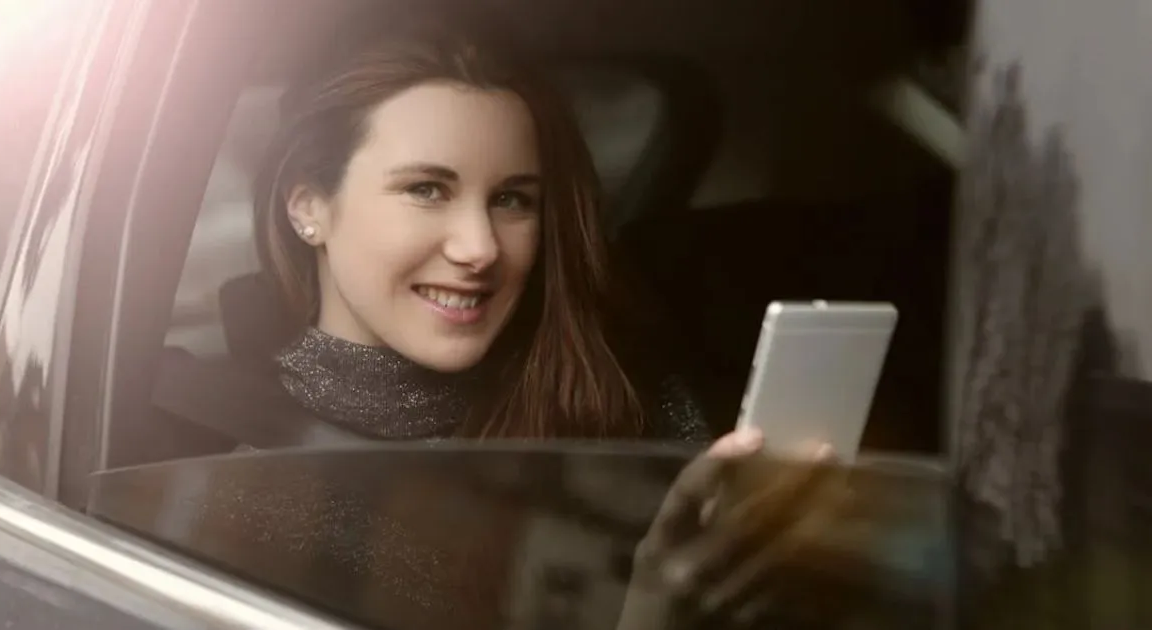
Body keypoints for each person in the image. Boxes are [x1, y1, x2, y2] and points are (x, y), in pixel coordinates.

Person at [250, 10, 837, 628]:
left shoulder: (624, 401)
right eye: (427, 189)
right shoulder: (241, 471)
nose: (480, 247)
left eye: (511, 200)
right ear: (308, 206)